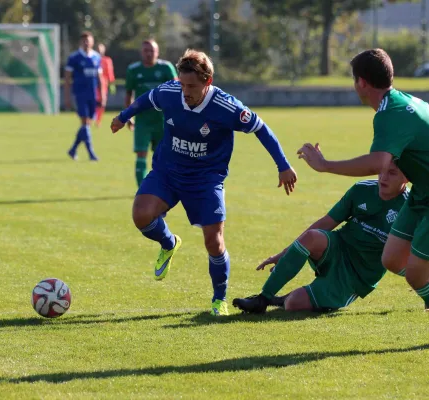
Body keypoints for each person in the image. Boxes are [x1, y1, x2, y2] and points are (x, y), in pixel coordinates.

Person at [296, 48, 429, 347]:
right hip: (425, 193)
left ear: (361, 83)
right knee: (393, 258)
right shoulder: (407, 102)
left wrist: (325, 166)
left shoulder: (391, 113)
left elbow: (378, 163)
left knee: (418, 275)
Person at [111, 49, 297, 316]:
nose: (185, 91)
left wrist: (283, 166)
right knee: (141, 215)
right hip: (168, 171)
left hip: (206, 179)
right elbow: (147, 99)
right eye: (182, 84)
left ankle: (219, 299)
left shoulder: (226, 106)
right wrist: (124, 116)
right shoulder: (170, 92)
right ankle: (168, 243)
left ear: (207, 82)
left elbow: (260, 128)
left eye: (192, 86)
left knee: (214, 242)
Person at [233, 164, 429, 324]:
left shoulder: (412, 209)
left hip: (356, 278)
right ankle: (263, 300)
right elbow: (326, 222)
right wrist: (285, 253)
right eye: (382, 170)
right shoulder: (361, 190)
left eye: (393, 172)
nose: (383, 177)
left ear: (407, 177)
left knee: (292, 305)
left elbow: (417, 259)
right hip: (337, 248)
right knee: (312, 237)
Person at [125, 39, 178, 187]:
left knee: (163, 156)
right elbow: (129, 93)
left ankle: (164, 187)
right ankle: (142, 189)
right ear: (141, 52)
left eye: (152, 51)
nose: (149, 54)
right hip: (142, 120)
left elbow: (178, 91)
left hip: (162, 120)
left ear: (157, 52)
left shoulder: (166, 68)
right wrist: (129, 116)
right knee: (141, 154)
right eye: (145, 51)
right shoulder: (133, 70)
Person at [65, 32, 105, 161]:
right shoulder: (74, 58)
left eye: (88, 41)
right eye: (84, 41)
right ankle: (91, 153)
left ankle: (73, 149)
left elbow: (100, 78)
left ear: (92, 42)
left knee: (87, 123)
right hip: (80, 95)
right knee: (85, 123)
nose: (86, 43)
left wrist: (102, 95)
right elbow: (67, 79)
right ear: (80, 43)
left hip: (92, 95)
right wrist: (67, 97)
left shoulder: (96, 57)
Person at [94, 43, 116, 127]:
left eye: (101, 49)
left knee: (102, 103)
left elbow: (110, 73)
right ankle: (93, 118)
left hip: (103, 85)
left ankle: (98, 120)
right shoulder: (93, 59)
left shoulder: (107, 60)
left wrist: (112, 84)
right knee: (95, 102)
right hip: (94, 84)